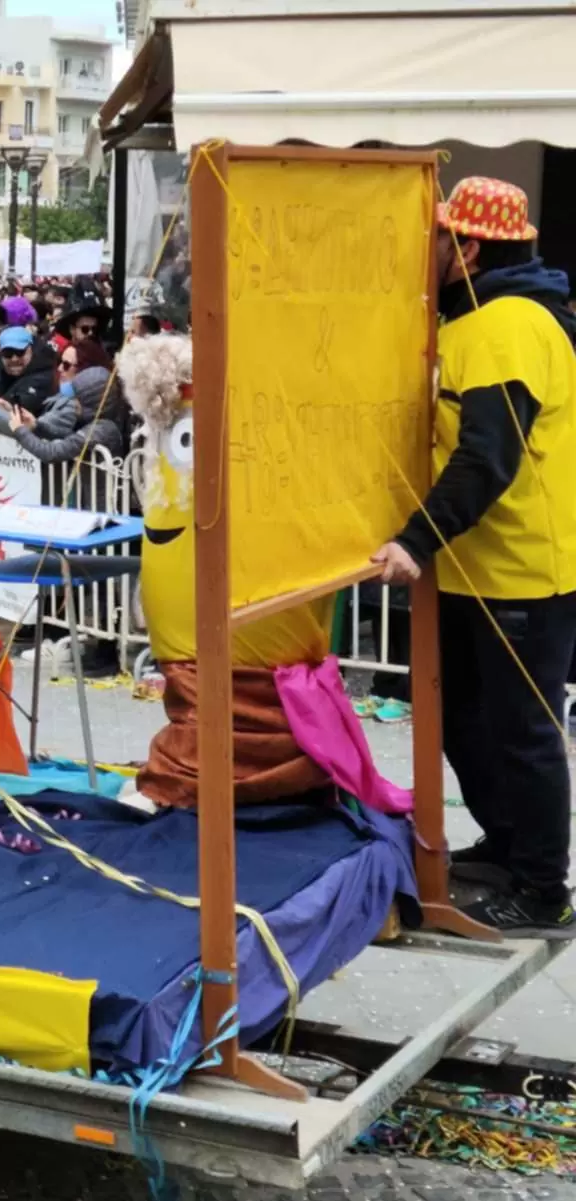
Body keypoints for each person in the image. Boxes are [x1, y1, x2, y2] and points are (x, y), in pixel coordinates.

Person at [371, 176, 576, 937]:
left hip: (521, 572)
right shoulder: (476, 321)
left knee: (523, 730)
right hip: (474, 568)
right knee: (462, 717)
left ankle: (544, 888)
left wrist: (414, 539)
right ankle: (507, 843)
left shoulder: (507, 326)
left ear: (471, 250)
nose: (422, 249)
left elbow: (488, 457)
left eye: (435, 237)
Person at [0, 365, 124, 464]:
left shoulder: (101, 430)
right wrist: (36, 426)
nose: (73, 402)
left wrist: (19, 430)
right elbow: (65, 437)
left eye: (77, 399)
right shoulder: (93, 424)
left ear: (93, 403)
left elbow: (51, 452)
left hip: (101, 501)